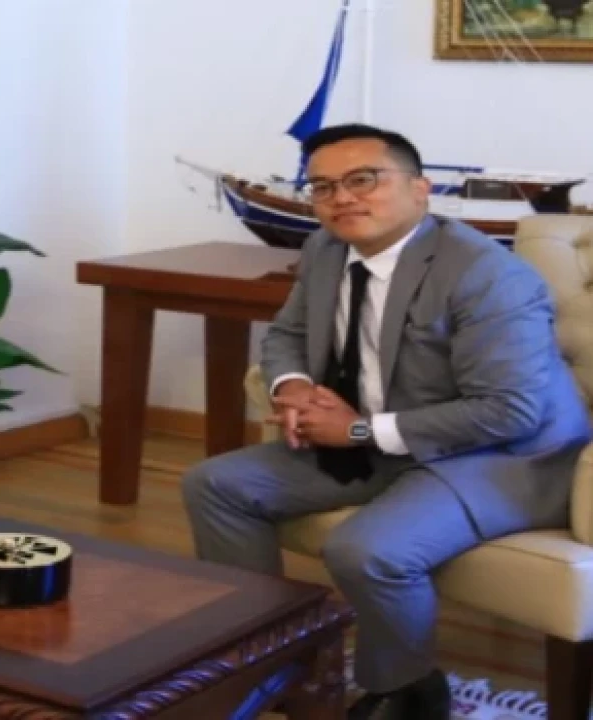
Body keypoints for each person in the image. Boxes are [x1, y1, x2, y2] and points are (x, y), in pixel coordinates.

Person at [181, 123, 591, 720]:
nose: (342, 198)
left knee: (367, 550)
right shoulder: (325, 249)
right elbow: (288, 334)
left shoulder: (486, 275)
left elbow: (510, 410)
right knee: (215, 484)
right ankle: (266, 662)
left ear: (420, 189)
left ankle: (409, 690)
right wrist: (294, 387)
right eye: (323, 187)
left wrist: (356, 432)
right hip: (384, 438)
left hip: (502, 456)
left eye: (363, 180)